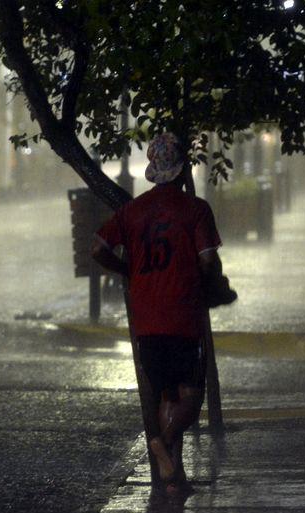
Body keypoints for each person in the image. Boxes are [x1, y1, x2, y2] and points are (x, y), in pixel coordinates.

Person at [92, 133, 225, 493]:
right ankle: (162, 443)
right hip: (182, 313)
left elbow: (99, 248)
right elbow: (208, 259)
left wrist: (127, 270)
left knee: (167, 394)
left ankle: (172, 478)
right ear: (182, 172)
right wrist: (216, 286)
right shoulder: (195, 210)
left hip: (146, 316)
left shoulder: (133, 211)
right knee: (192, 393)